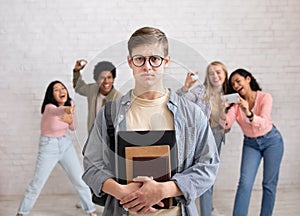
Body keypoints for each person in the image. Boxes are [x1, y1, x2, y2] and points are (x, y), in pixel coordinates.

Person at [82, 26, 220, 216]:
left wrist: (165, 190)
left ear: (166, 62)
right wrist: (121, 191)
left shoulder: (191, 114)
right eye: (140, 59)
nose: (147, 66)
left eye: (155, 59)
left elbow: (208, 165)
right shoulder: (109, 114)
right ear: (130, 63)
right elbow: (91, 166)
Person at [16, 81, 97, 216]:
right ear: (51, 94)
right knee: (37, 183)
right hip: (49, 146)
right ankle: (21, 212)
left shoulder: (69, 104)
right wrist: (66, 110)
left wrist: (70, 116)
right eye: (56, 90)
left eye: (63, 88)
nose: (61, 91)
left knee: (80, 179)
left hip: (66, 144)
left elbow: (73, 127)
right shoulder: (49, 108)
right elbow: (55, 111)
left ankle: (91, 210)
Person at [222, 69, 284, 216]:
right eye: (233, 84)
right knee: (245, 183)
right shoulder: (236, 105)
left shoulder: (265, 97)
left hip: (272, 141)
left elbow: (263, 122)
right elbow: (226, 125)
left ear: (248, 79)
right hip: (251, 144)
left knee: (269, 184)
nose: (236, 86)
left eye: (238, 81)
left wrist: (248, 113)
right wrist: (222, 110)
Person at [177, 61, 229, 216]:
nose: (215, 76)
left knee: (210, 175)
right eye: (211, 73)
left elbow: (231, 120)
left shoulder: (228, 92)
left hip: (218, 135)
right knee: (201, 174)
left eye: (218, 72)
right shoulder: (200, 90)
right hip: (201, 137)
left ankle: (207, 208)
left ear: (225, 73)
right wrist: (186, 87)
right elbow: (180, 103)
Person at [72, 60, 122, 132]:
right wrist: (76, 71)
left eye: (109, 77)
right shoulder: (92, 90)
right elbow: (79, 87)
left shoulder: (119, 98)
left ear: (113, 79)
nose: (106, 81)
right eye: (102, 78)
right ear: (97, 80)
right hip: (93, 136)